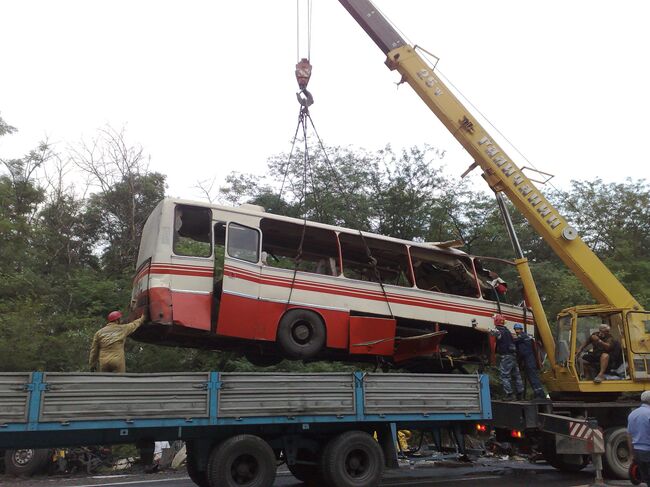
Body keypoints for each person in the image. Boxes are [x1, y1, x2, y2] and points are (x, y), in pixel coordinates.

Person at [488, 314, 524, 400]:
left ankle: (509, 394)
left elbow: (488, 331)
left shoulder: (498, 331)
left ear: (496, 321)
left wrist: (475, 326)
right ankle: (520, 394)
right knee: (517, 375)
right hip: (513, 355)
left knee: (504, 375)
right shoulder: (507, 331)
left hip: (506, 356)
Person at [513, 323, 545, 400]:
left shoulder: (522, 337)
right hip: (529, 361)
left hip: (529, 361)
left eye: (517, 329)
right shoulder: (525, 337)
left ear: (520, 330)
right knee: (532, 378)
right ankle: (539, 394)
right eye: (515, 329)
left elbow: (521, 351)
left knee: (533, 378)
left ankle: (540, 395)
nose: (516, 331)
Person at [628, 391, 650, 486]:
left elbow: (629, 435)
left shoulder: (633, 414)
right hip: (648, 451)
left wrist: (632, 454)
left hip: (638, 451)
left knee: (647, 478)